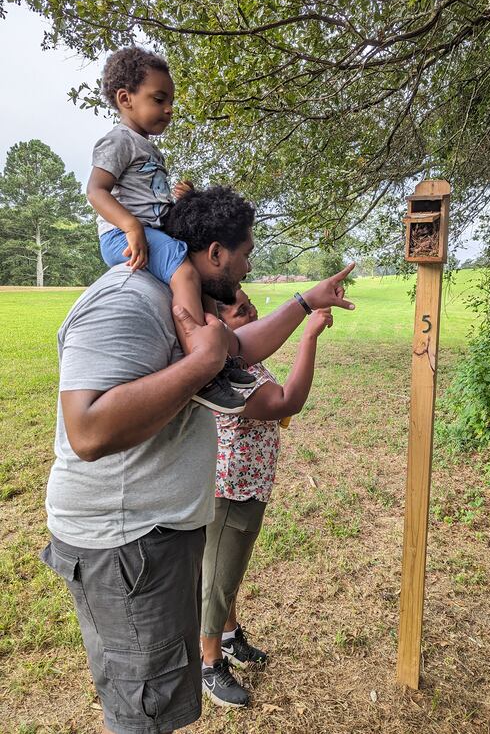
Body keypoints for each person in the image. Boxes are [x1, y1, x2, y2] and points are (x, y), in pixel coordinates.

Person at [41, 183, 355, 734]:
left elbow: (243, 347)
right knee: (147, 715)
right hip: (124, 545)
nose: (250, 262)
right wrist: (199, 365)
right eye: (246, 251)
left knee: (163, 702)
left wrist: (304, 302)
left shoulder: (183, 308)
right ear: (214, 254)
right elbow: (87, 432)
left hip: (156, 537)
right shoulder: (127, 300)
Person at [86, 46, 250, 414]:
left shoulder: (149, 149)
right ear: (125, 99)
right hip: (125, 236)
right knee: (185, 270)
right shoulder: (117, 141)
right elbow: (95, 191)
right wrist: (129, 225)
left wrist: (182, 200)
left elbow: (153, 202)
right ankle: (201, 370)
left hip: (151, 231)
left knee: (203, 279)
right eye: (159, 99)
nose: (169, 109)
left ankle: (216, 355)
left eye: (170, 101)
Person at [200, 289, 333, 707]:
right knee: (217, 582)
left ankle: (227, 636)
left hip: (250, 484)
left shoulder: (245, 360)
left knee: (230, 572)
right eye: (241, 310)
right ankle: (208, 664)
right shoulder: (223, 366)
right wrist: (308, 337)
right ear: (218, 324)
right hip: (232, 489)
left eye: (250, 303)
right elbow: (285, 401)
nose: (253, 311)